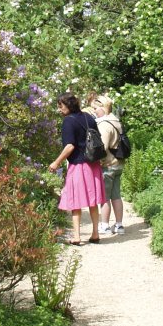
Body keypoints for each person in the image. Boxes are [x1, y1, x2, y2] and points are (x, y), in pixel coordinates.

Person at [48, 92, 106, 245]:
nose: (59, 110)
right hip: (93, 164)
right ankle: (95, 234)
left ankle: (76, 237)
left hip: (79, 166)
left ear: (68, 106)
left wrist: (56, 162)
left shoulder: (68, 121)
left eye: (61, 106)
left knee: (76, 202)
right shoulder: (89, 117)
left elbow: (69, 146)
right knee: (92, 201)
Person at [93, 95, 126, 235]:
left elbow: (103, 147)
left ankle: (105, 225)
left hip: (108, 165)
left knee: (105, 197)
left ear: (103, 107)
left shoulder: (105, 124)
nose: (94, 111)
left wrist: (95, 159)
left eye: (95, 108)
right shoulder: (116, 121)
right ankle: (119, 225)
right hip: (118, 163)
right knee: (116, 195)